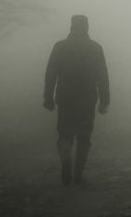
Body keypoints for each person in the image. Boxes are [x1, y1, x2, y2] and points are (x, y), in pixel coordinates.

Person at [43, 14, 110, 186]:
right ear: (86, 27)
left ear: (71, 27)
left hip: (65, 98)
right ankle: (78, 175)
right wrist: (105, 100)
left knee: (64, 134)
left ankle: (66, 159)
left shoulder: (60, 47)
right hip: (87, 99)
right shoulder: (95, 48)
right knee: (84, 137)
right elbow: (103, 76)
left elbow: (50, 74)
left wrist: (48, 97)